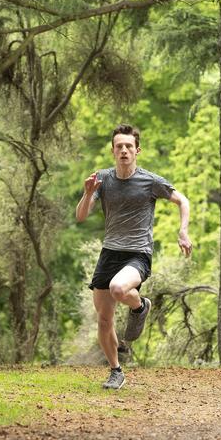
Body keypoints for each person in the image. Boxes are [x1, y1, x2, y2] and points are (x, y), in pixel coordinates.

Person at [76, 124, 192, 390]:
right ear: (113, 151)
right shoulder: (102, 180)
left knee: (119, 288)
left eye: (129, 146)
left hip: (138, 253)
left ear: (137, 150)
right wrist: (87, 193)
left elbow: (182, 201)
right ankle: (116, 371)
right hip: (109, 254)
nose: (124, 150)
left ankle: (140, 306)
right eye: (119, 146)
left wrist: (183, 232)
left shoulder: (150, 181)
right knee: (104, 320)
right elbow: (81, 216)